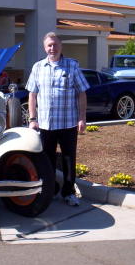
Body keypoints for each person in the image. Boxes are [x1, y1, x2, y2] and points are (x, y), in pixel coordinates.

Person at [25, 32, 89, 206]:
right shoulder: (37, 67)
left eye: (55, 45)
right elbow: (32, 94)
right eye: (49, 45)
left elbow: (81, 92)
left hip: (68, 122)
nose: (52, 48)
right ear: (45, 48)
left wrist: (82, 118)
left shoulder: (72, 66)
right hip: (45, 124)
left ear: (61, 46)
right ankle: (50, 190)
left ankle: (68, 193)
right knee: (47, 160)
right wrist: (33, 118)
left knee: (69, 159)